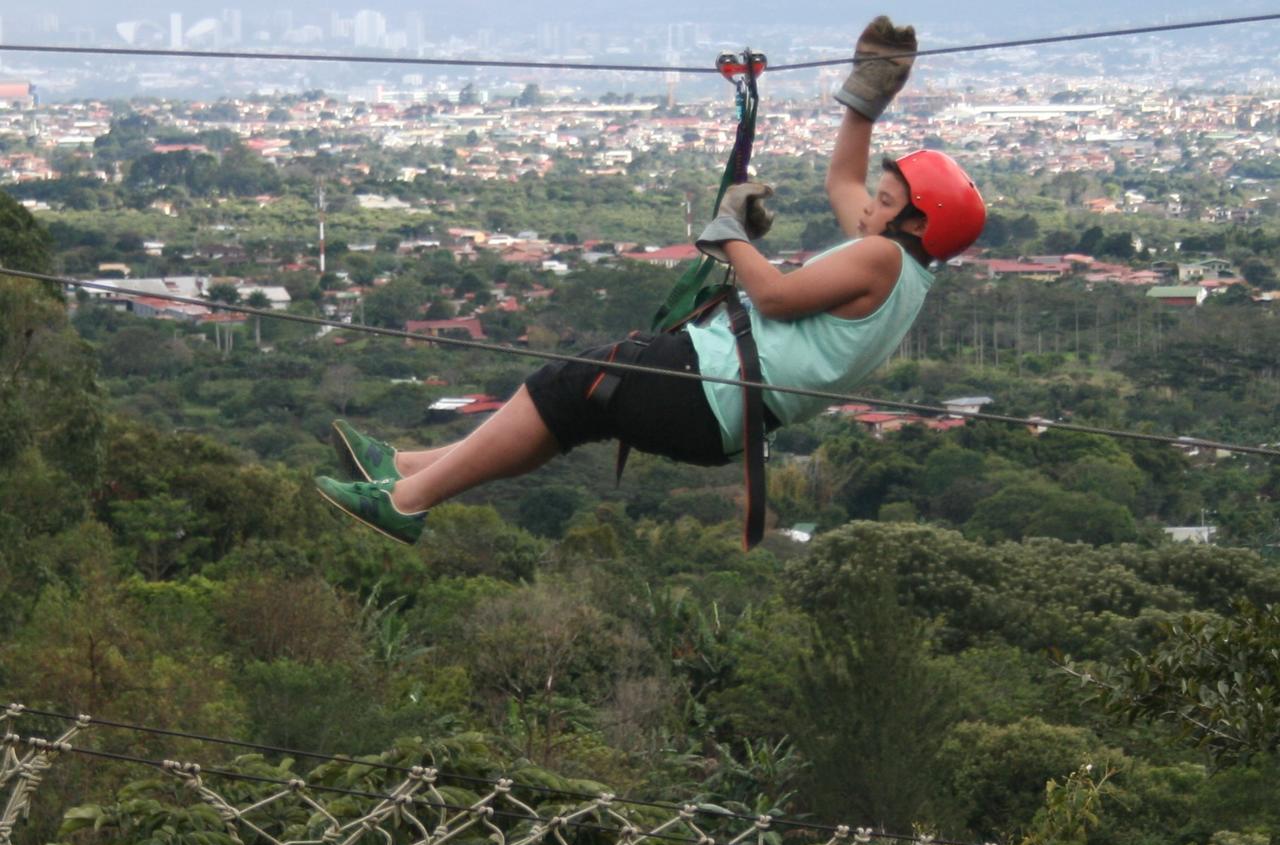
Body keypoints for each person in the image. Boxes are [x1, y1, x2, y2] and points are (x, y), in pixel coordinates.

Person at [315, 16, 986, 545]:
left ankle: (404, 503)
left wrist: (732, 233)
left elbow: (777, 300)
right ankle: (403, 469)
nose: (871, 202)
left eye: (889, 199)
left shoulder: (882, 259)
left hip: (712, 389)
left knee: (566, 384)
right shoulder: (898, 265)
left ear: (917, 227)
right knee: (568, 409)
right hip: (723, 410)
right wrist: (864, 102)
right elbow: (842, 181)